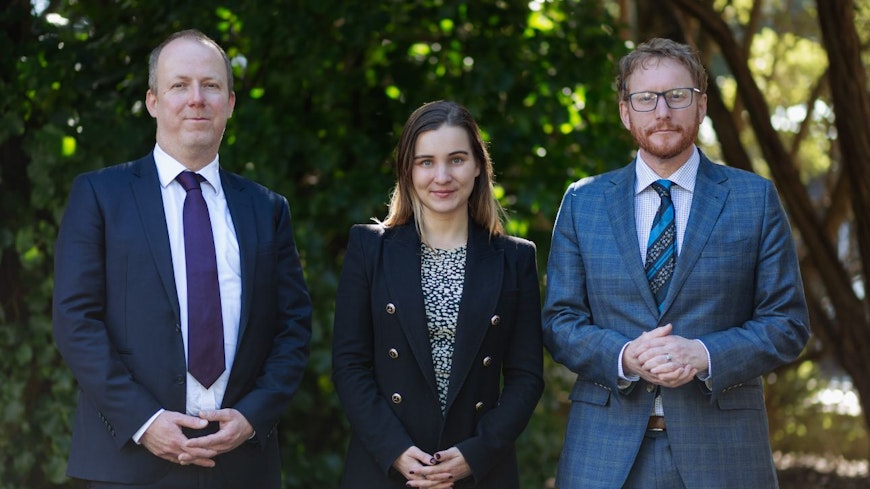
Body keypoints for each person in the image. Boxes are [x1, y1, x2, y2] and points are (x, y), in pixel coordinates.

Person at [542, 38, 810, 489]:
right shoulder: (583, 202)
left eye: (677, 96)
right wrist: (624, 355)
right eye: (645, 99)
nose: (661, 111)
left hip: (725, 453)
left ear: (701, 105)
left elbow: (787, 323)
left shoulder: (753, 199)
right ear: (626, 112)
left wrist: (703, 354)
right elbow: (559, 322)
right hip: (604, 456)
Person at [52, 29, 312, 488]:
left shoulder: (267, 209)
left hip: (242, 466)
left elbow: (292, 327)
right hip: (129, 465)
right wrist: (145, 421)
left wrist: (252, 417)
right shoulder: (99, 196)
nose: (197, 99)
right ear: (153, 101)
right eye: (179, 85)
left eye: (211, 86)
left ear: (230, 103)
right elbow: (76, 320)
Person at [331, 100, 544, 489]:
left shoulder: (515, 258)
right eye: (425, 161)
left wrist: (476, 453)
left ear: (478, 166)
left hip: (479, 470)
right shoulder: (369, 249)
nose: (441, 176)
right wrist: (394, 449)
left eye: (457, 159)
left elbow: (526, 377)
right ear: (407, 171)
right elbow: (349, 364)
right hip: (386, 467)